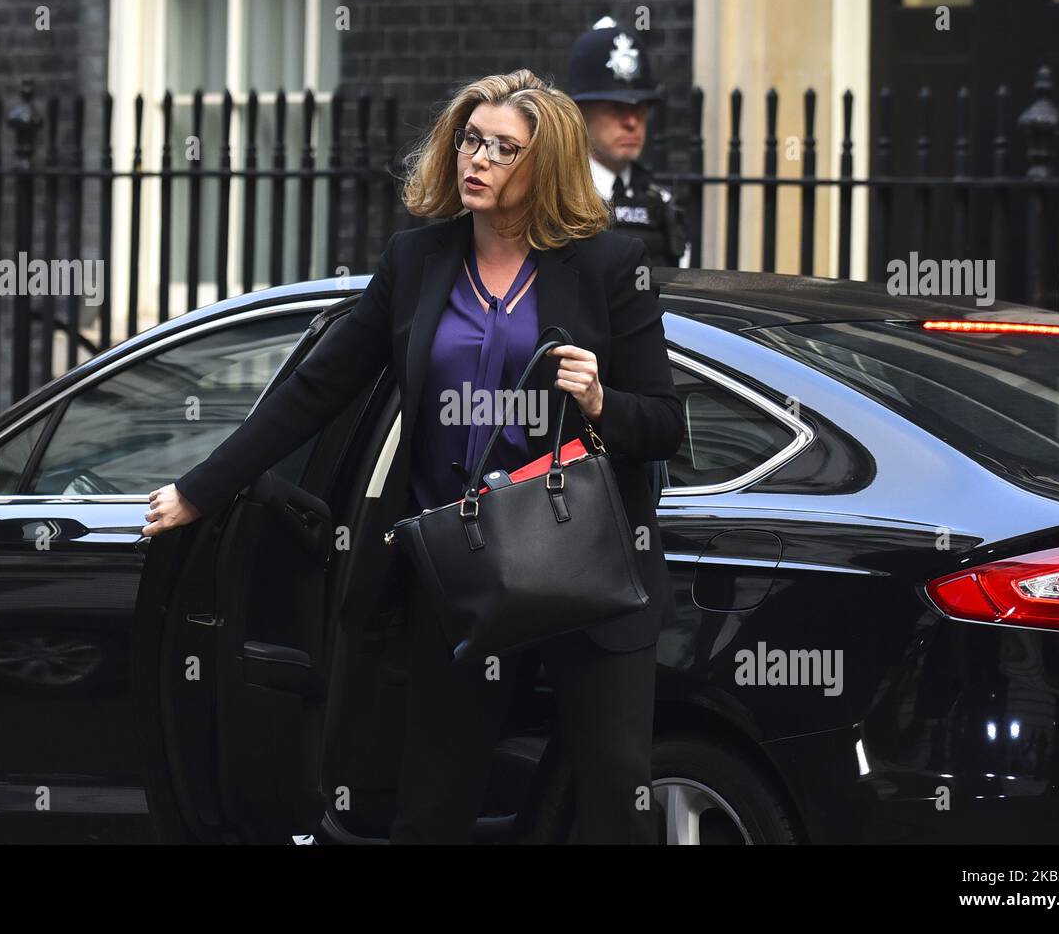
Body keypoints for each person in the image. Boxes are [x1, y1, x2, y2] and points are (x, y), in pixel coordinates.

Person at [140, 69, 684, 844]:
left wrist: (600, 402)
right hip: (459, 572)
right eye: (470, 139)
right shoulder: (418, 260)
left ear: (545, 165)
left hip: (587, 569)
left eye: (504, 147)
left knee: (610, 804)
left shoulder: (605, 265)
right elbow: (314, 391)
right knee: (432, 804)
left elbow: (664, 426)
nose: (479, 158)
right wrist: (201, 490)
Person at [567, 16, 690, 269]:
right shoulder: (557, 196)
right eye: (616, 108)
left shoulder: (662, 202)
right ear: (579, 112)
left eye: (641, 108)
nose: (632, 122)